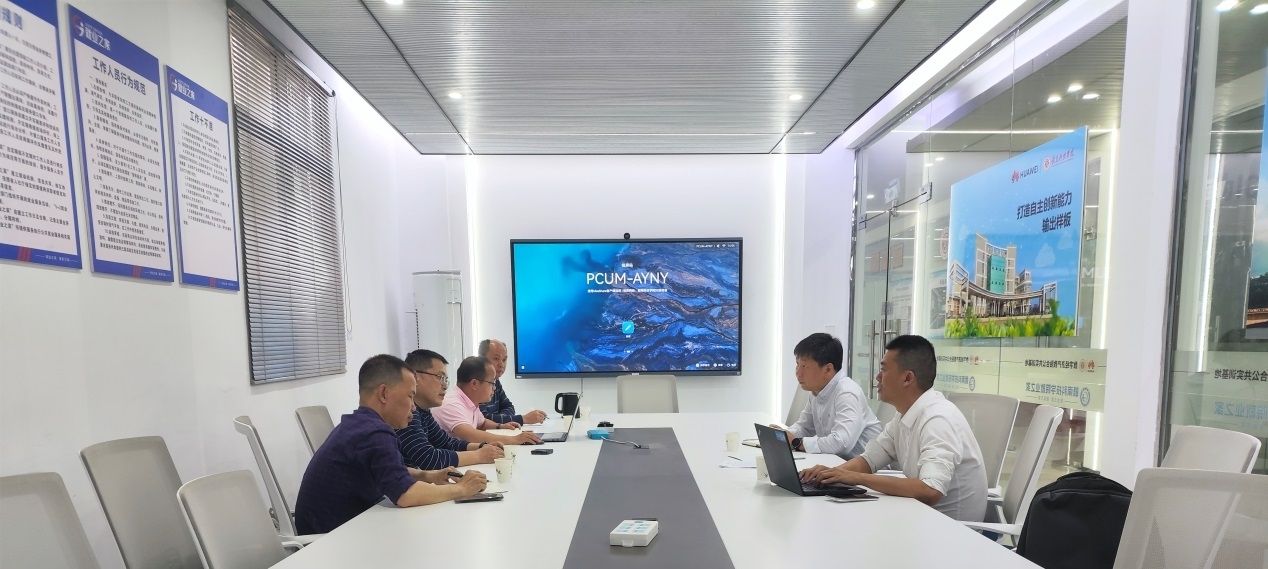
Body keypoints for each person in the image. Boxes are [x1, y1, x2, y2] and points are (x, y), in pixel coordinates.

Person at [800, 335, 987, 522]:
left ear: (907, 378)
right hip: (919, 518)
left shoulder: (938, 419)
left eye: (883, 369)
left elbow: (930, 490)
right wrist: (830, 475)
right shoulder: (904, 414)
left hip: (950, 529)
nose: (877, 377)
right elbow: (869, 460)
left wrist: (855, 477)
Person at [293, 354, 488, 534]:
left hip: (345, 527)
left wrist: (427, 475)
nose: (413, 407)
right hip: (331, 540)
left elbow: (387, 470)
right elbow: (407, 495)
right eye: (410, 396)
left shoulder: (359, 423)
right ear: (384, 393)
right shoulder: (375, 432)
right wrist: (462, 489)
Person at [775, 333, 881, 459]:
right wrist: (782, 436)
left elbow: (841, 443)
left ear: (828, 369)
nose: (798, 372)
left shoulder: (847, 393)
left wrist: (797, 443)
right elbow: (805, 427)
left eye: (804, 366)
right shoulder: (816, 391)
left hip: (866, 467)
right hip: (837, 462)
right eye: (797, 364)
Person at [397, 349, 506, 469]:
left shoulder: (423, 411)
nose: (445, 386)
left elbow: (446, 443)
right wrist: (479, 455)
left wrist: (480, 446)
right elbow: (428, 458)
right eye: (440, 377)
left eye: (446, 379)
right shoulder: (405, 412)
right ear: (415, 377)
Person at [433, 356, 543, 445]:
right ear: (474, 384)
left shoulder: (469, 400)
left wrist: (500, 426)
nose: (494, 388)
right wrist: (514, 439)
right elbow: (471, 435)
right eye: (492, 383)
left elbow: (482, 423)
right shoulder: (452, 403)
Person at [478, 339, 547, 425]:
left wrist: (501, 419)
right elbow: (482, 419)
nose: (501, 364)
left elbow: (509, 407)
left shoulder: (495, 381)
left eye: (504, 360)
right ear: (481, 359)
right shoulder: (477, 384)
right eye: (496, 358)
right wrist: (523, 419)